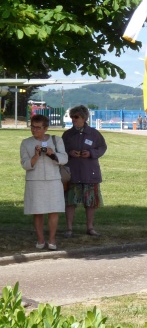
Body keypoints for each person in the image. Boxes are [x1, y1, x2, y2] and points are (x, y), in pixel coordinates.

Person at [20, 114, 69, 250]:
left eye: (38, 128)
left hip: (53, 180)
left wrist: (51, 154)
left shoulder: (56, 140)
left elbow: (64, 158)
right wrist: (35, 156)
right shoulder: (26, 143)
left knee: (54, 210)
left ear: (46, 128)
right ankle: (40, 239)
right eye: (32, 127)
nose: (34, 130)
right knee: (38, 211)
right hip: (35, 181)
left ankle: (52, 240)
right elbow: (24, 164)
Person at [62, 105, 107, 238]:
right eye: (72, 117)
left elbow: (103, 147)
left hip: (90, 173)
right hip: (73, 173)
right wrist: (70, 152)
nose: (73, 119)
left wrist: (91, 153)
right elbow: (61, 150)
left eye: (76, 117)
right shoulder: (67, 134)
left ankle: (90, 227)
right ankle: (69, 228)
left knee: (91, 202)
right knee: (70, 202)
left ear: (84, 118)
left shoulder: (94, 134)